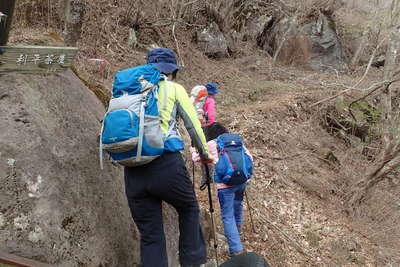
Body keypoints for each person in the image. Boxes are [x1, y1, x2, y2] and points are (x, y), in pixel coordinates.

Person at [124, 48, 212, 267]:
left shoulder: (130, 89)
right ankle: (192, 263)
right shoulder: (174, 89)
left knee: (151, 235)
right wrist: (206, 155)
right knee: (189, 208)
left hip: (133, 169)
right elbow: (193, 127)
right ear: (172, 71)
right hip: (165, 165)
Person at [192, 125, 253, 258]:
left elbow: (195, 158)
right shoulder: (236, 140)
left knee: (227, 215)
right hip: (241, 182)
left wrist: (193, 151)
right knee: (237, 207)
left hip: (225, 186)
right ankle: (237, 233)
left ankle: (236, 249)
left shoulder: (213, 144)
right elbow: (249, 157)